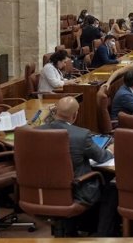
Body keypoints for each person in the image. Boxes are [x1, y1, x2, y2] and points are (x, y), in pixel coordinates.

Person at [38, 96, 118, 236]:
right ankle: (103, 234)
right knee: (111, 186)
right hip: (75, 190)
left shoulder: (37, 132)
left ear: (55, 111)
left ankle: (74, 229)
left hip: (43, 189)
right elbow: (101, 157)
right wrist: (111, 149)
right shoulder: (81, 135)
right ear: (75, 115)